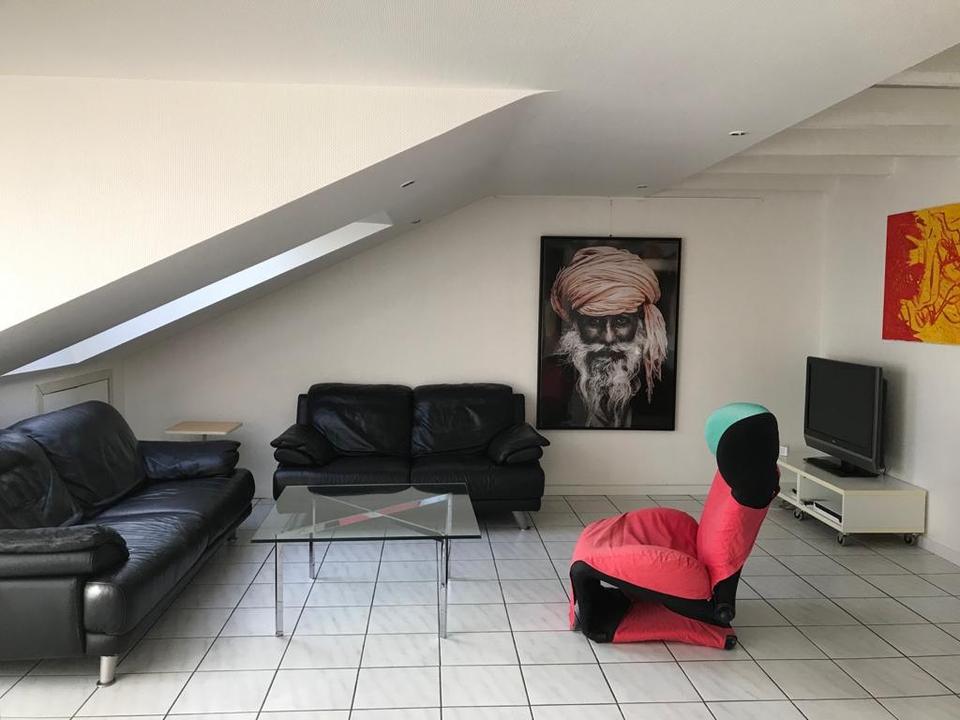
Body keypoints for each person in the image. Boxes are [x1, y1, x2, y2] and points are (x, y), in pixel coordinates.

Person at [540, 245, 673, 428]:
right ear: (575, 325)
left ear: (639, 323)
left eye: (621, 321)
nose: (609, 338)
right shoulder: (551, 376)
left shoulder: (663, 381)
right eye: (594, 322)